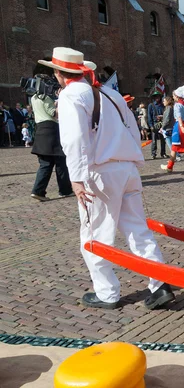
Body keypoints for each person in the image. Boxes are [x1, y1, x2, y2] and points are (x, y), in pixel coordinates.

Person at [38, 47, 175, 309]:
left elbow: (74, 140)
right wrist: (134, 160)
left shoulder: (70, 95)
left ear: (59, 73)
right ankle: (160, 283)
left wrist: (76, 179)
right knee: (137, 230)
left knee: (95, 235)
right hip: (126, 168)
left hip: (100, 173)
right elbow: (133, 130)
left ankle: (106, 292)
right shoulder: (111, 94)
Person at [30, 86, 73, 201]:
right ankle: (65, 190)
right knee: (60, 162)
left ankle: (38, 191)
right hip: (51, 130)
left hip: (40, 130)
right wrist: (61, 99)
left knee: (45, 163)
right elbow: (54, 113)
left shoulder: (34, 97)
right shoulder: (46, 98)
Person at [148, 91, 166, 159]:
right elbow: (149, 116)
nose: (157, 98)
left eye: (158, 97)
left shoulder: (162, 105)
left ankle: (163, 153)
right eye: (156, 97)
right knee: (154, 140)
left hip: (162, 124)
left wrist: (162, 116)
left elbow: (165, 115)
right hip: (154, 124)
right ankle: (153, 154)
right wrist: (151, 125)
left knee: (163, 140)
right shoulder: (151, 105)